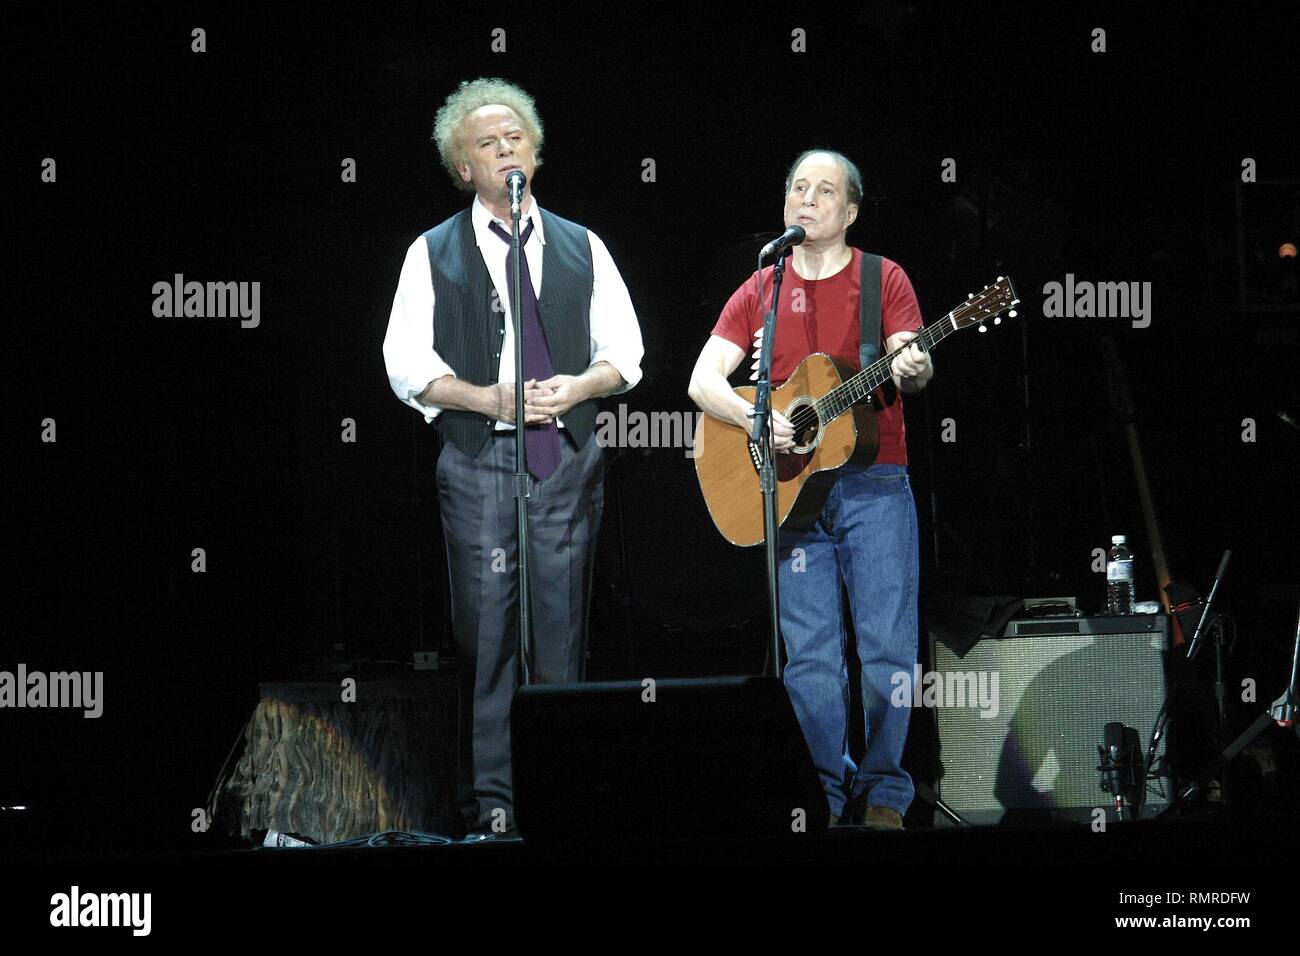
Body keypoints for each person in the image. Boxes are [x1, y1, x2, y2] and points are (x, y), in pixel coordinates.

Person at [382, 77, 644, 836]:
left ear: (535, 151)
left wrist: (579, 385)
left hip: (561, 458)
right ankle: (494, 803)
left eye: (515, 140)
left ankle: (562, 792)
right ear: (462, 168)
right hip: (477, 460)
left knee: (560, 631)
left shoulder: (580, 244)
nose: (505, 152)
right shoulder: (432, 252)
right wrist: (484, 398)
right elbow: (405, 362)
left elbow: (624, 355)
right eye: (486, 145)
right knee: (487, 635)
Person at [688, 149, 932, 829]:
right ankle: (822, 795)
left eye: (824, 191)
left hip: (875, 484)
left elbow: (911, 358)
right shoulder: (761, 286)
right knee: (812, 657)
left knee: (886, 644)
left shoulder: (883, 277)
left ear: (850, 211)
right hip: (792, 495)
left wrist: (913, 364)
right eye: (798, 186)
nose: (807, 199)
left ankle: (885, 791)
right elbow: (702, 381)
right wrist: (757, 417)